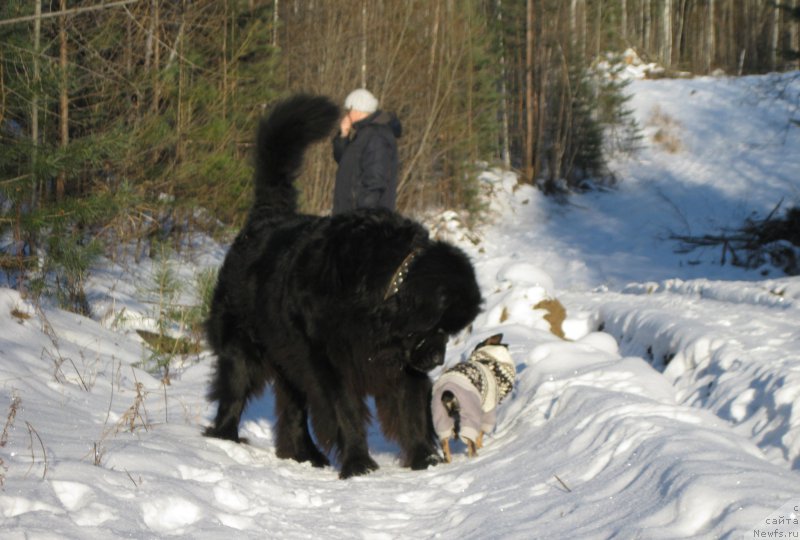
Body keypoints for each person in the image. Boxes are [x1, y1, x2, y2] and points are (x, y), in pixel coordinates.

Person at [332, 89, 402, 215]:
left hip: (364, 219)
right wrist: (343, 135)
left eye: (348, 110)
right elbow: (344, 162)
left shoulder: (377, 136)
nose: (346, 114)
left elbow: (375, 180)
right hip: (350, 215)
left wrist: (363, 216)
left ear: (357, 110)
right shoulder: (363, 134)